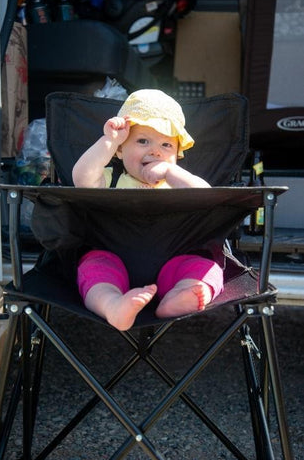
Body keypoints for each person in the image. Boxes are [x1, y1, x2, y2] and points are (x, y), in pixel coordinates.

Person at [72, 89, 224, 331]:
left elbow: (207, 195)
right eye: (143, 141)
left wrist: (170, 172)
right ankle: (113, 306)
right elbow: (81, 178)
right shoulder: (110, 179)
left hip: (174, 262)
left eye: (166, 145)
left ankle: (179, 296)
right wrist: (109, 141)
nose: (155, 151)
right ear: (120, 150)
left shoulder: (178, 183)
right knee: (93, 271)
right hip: (112, 258)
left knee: (208, 269)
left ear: (177, 155)